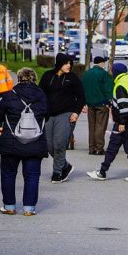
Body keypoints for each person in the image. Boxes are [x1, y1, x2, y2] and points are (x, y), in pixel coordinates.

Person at [0, 68, 48, 216]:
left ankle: (9, 206)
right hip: (35, 142)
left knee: (8, 173)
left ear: (18, 79)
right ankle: (29, 208)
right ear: (34, 79)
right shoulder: (42, 96)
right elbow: (47, 115)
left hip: (11, 142)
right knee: (32, 175)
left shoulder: (9, 95)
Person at [86, 63, 128, 182]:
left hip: (122, 122)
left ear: (116, 71)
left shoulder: (120, 85)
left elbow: (124, 106)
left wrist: (122, 122)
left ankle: (102, 172)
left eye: (112, 70)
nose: (110, 72)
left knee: (113, 146)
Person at [39, 52, 86, 183]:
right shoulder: (48, 76)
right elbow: (40, 93)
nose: (69, 66)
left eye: (70, 63)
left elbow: (81, 97)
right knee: (49, 146)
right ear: (59, 64)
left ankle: (57, 172)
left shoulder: (73, 78)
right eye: (66, 63)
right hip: (49, 114)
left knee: (59, 143)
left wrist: (76, 112)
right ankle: (65, 165)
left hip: (66, 114)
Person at [82, 56, 113, 156]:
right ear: (101, 63)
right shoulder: (104, 74)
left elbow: (83, 88)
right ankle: (99, 148)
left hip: (90, 104)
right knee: (100, 126)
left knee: (92, 126)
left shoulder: (87, 74)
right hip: (102, 103)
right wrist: (109, 102)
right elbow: (108, 89)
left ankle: (91, 148)